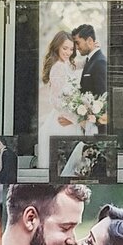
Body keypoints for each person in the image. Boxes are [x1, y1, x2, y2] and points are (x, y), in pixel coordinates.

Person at [39, 31, 80, 167]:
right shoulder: (57, 67)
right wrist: (71, 116)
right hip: (62, 119)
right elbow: (54, 99)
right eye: (65, 48)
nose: (68, 52)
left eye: (71, 49)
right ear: (57, 47)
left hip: (70, 115)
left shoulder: (66, 64)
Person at [72, 24, 107, 98]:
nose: (76, 47)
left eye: (78, 43)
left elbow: (102, 97)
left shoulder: (100, 62)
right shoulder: (89, 60)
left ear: (90, 41)